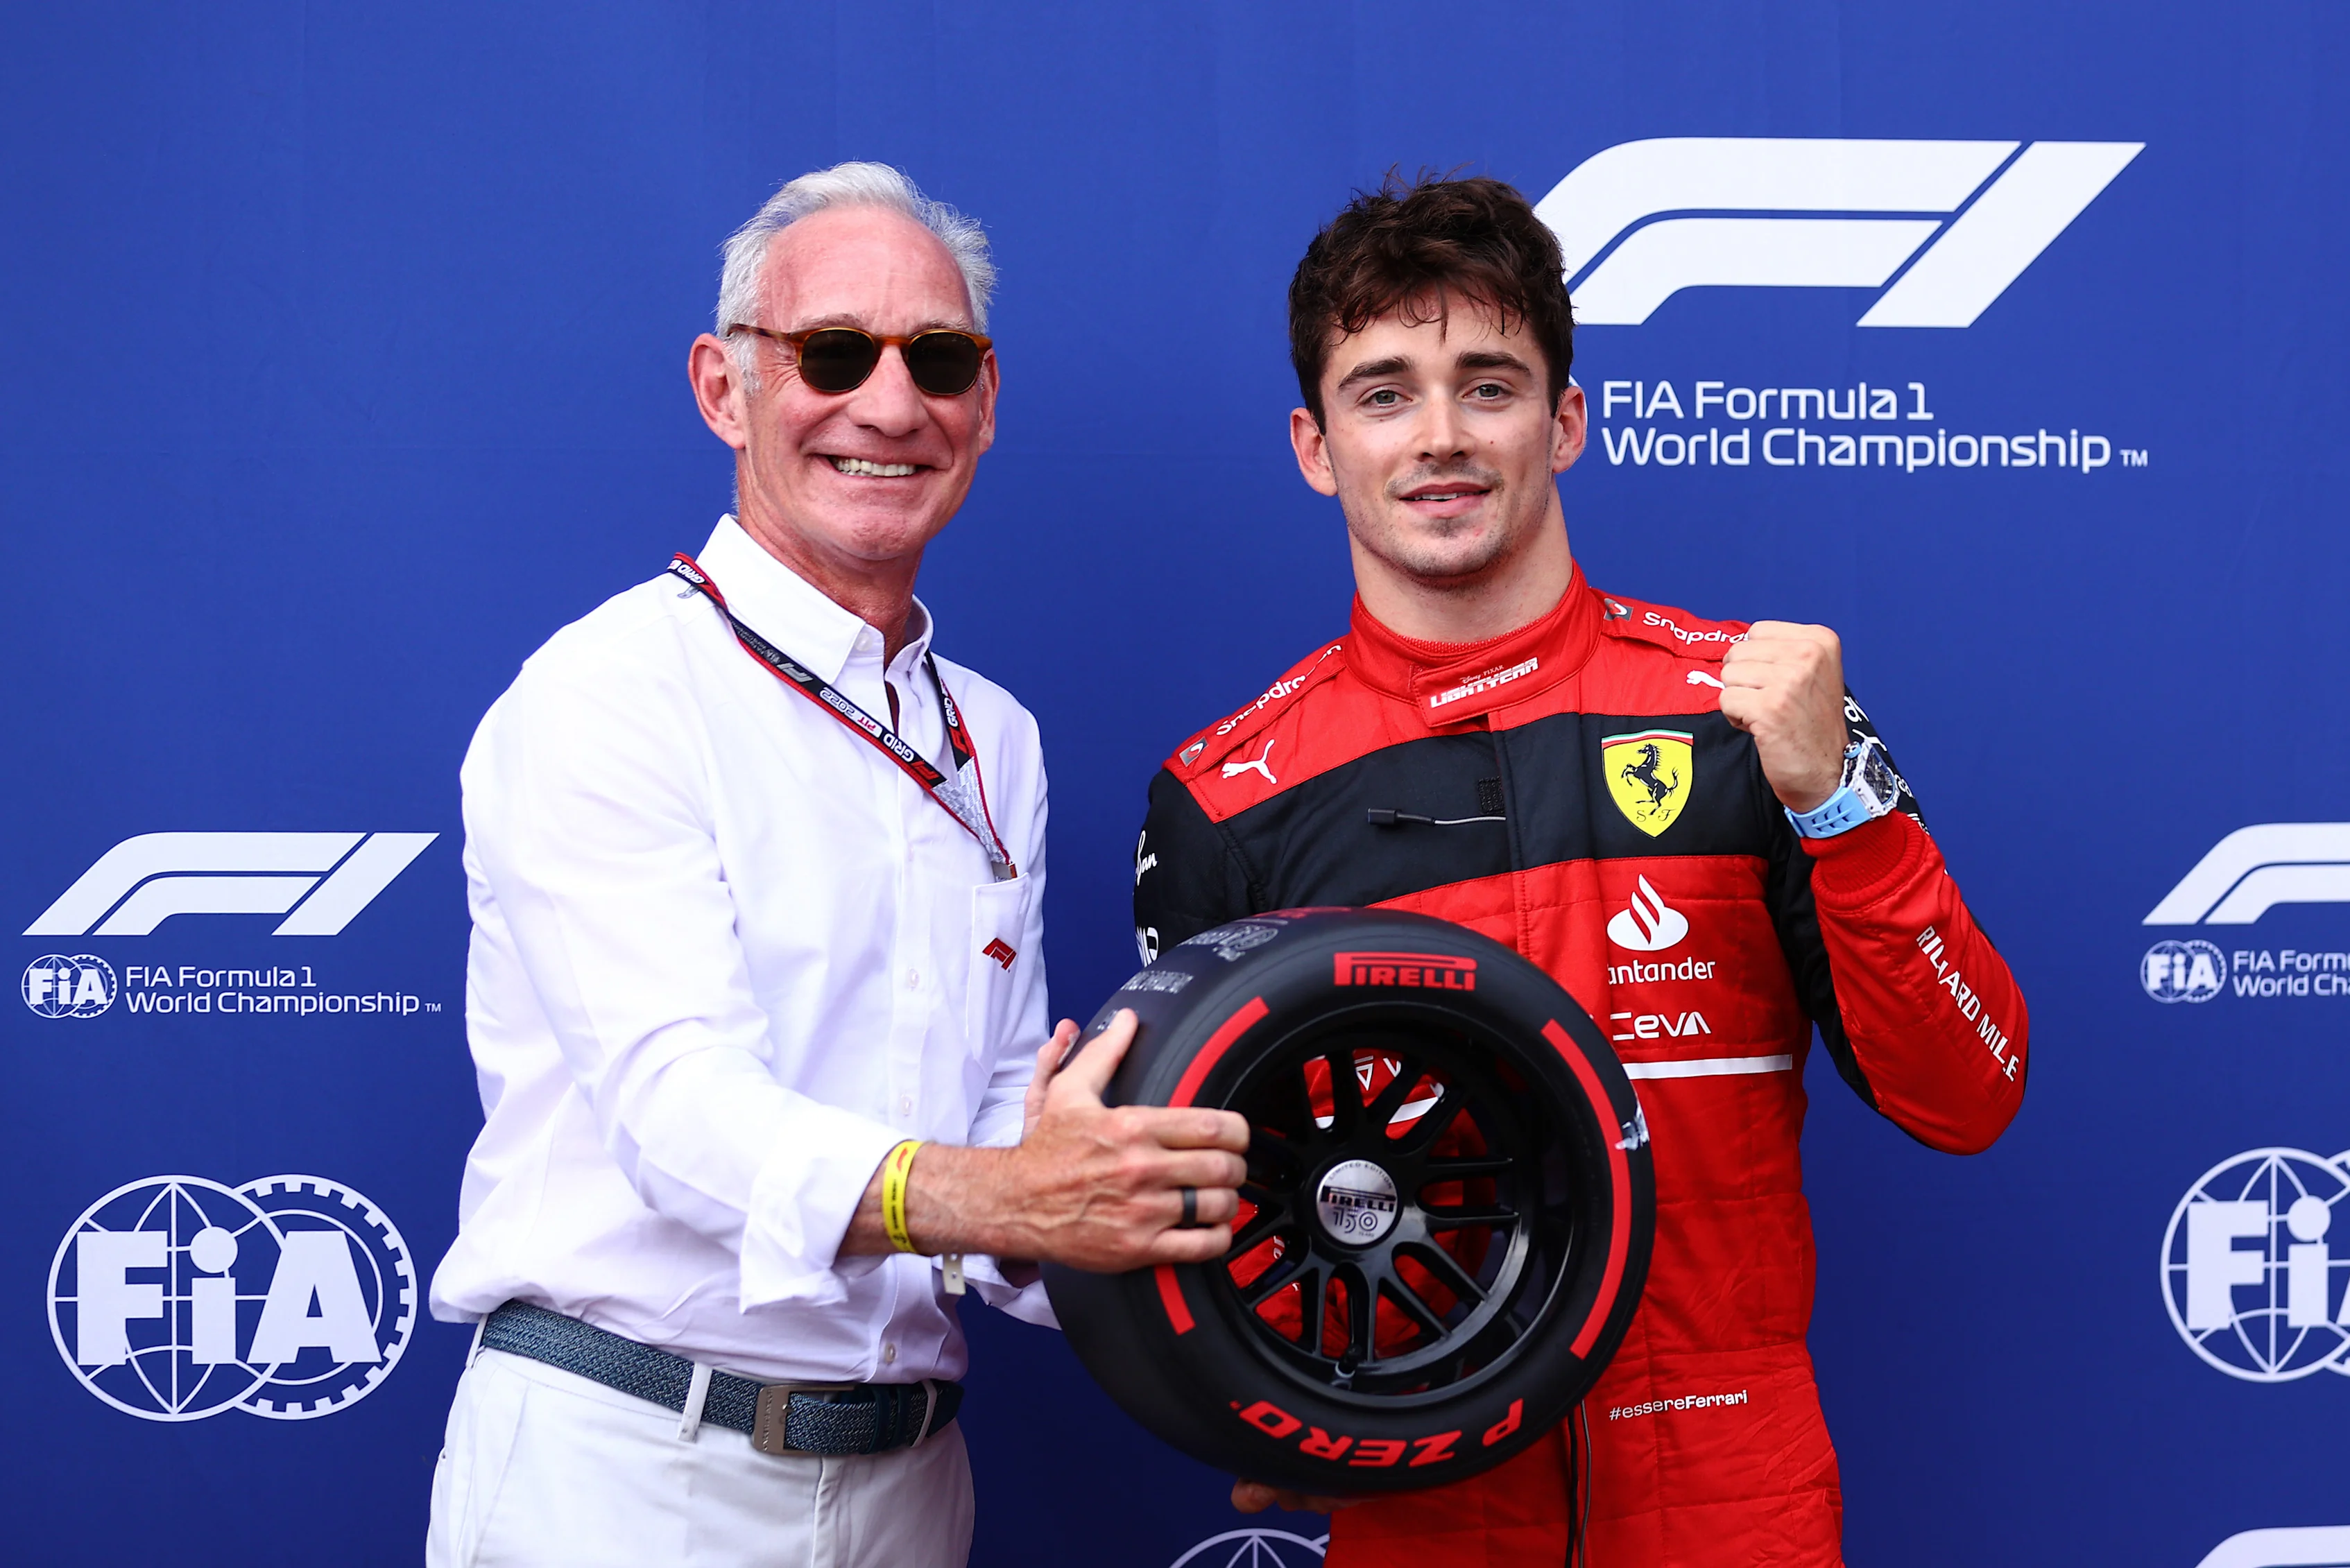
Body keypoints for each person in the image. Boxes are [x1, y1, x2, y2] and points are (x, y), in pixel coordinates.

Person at [1131, 175, 2028, 1567]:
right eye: (1383, 393)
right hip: (1426, 1515)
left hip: (1734, 1508)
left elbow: (1970, 1092)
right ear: (1316, 444)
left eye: (1487, 387)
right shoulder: (1228, 799)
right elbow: (1205, 1200)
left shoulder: (1753, 716)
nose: (1439, 436)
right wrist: (1272, 1401)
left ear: (1564, 422)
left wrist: (1842, 804)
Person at [424, 162, 1248, 1568]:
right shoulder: (607, 692)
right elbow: (680, 1112)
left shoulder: (994, 736)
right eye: (832, 352)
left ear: (985, 398)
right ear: (723, 387)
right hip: (628, 1473)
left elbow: (997, 1119)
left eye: (939, 358)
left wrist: (1148, 1224)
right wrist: (1010, 1195)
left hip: (910, 1481)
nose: (891, 403)